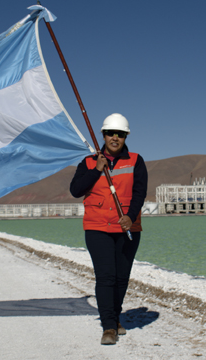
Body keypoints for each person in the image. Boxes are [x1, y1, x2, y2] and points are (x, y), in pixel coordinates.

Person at [70, 113, 148, 345]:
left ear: (126, 137)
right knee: (106, 277)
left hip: (127, 228)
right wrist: (96, 169)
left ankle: (114, 318)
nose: (115, 137)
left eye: (120, 134)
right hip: (97, 228)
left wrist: (130, 216)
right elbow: (75, 190)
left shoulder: (136, 160)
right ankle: (109, 327)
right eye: (111, 133)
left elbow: (139, 193)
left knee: (121, 278)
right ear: (103, 135)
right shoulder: (88, 162)